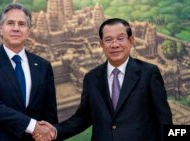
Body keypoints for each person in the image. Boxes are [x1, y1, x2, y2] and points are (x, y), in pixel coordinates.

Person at [34, 18, 172, 141]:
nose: (114, 44)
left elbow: (164, 119)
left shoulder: (149, 73)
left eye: (120, 38)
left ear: (131, 41)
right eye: (108, 40)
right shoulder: (92, 78)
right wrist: (55, 131)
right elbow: (82, 119)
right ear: (101, 44)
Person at [0, 3, 58, 141]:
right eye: (10, 23)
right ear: (1, 29)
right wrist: (32, 125)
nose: (16, 28)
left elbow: (50, 114)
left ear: (29, 31)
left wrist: (49, 132)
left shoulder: (43, 66)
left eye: (22, 24)